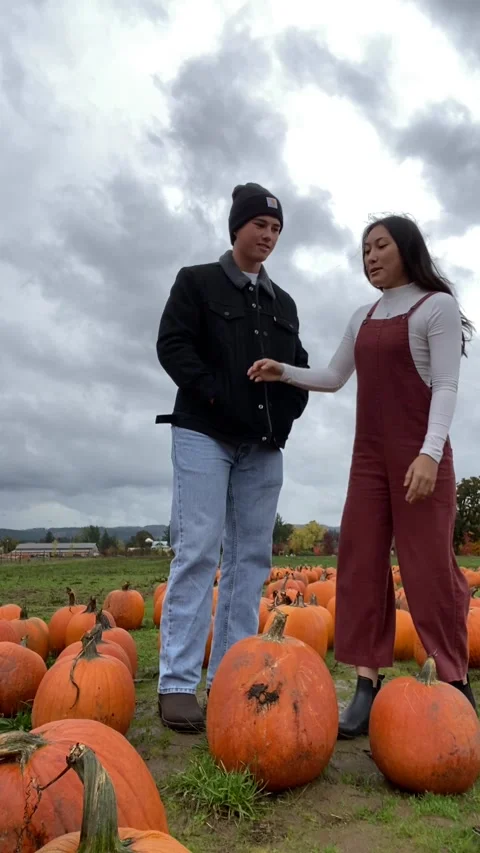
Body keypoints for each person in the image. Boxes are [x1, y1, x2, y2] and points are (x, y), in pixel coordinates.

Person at [248, 214, 476, 738]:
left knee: (429, 573)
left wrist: (429, 453)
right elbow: (332, 377)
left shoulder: (435, 307)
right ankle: (366, 687)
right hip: (369, 463)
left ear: (407, 250)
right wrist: (284, 371)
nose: (370, 256)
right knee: (359, 565)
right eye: (364, 250)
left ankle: (455, 682)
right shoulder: (363, 316)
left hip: (420, 457)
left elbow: (445, 386)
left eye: (380, 246)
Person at [155, 182, 309, 732]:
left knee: (251, 560)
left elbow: (299, 368)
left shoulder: (283, 303)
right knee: (197, 551)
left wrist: (287, 413)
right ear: (236, 227)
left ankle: (229, 675)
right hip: (204, 434)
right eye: (259, 225)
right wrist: (217, 394)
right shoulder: (197, 282)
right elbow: (172, 346)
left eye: (276, 229)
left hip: (264, 446)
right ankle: (176, 683)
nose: (268, 236)